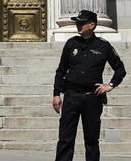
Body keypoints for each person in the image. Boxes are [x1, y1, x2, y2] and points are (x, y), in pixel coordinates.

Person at [52, 9, 125, 161]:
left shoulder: (103, 46)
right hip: (71, 95)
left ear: (92, 25)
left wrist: (110, 85)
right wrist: (56, 94)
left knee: (91, 140)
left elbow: (120, 69)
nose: (78, 25)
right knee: (65, 139)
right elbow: (61, 70)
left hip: (92, 97)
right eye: (77, 22)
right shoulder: (71, 43)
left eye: (82, 22)